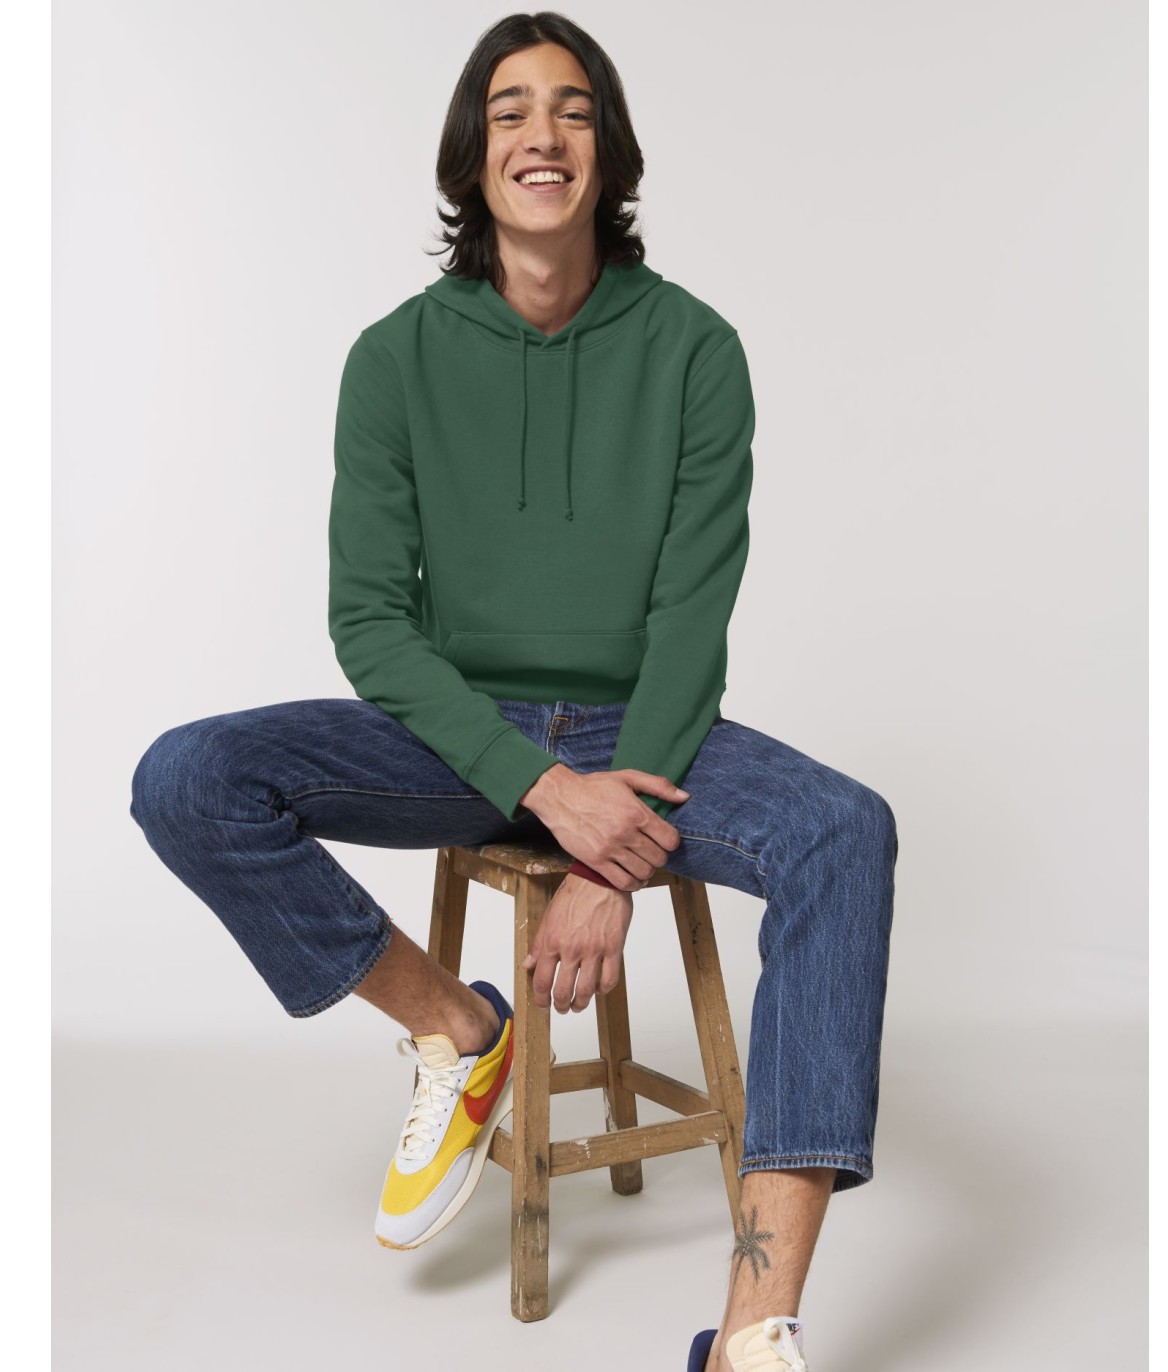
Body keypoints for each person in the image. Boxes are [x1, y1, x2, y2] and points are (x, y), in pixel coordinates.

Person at [128, 13, 898, 1372]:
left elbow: (692, 616)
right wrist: (545, 791)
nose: (543, 135)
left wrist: (614, 852)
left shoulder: (697, 350)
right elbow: (370, 621)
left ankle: (753, 1331)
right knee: (186, 777)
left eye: (574, 109)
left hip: (644, 731)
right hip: (456, 737)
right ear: (471, 157)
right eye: (510, 112)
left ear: (610, 152)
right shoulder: (395, 358)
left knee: (847, 829)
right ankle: (458, 1030)